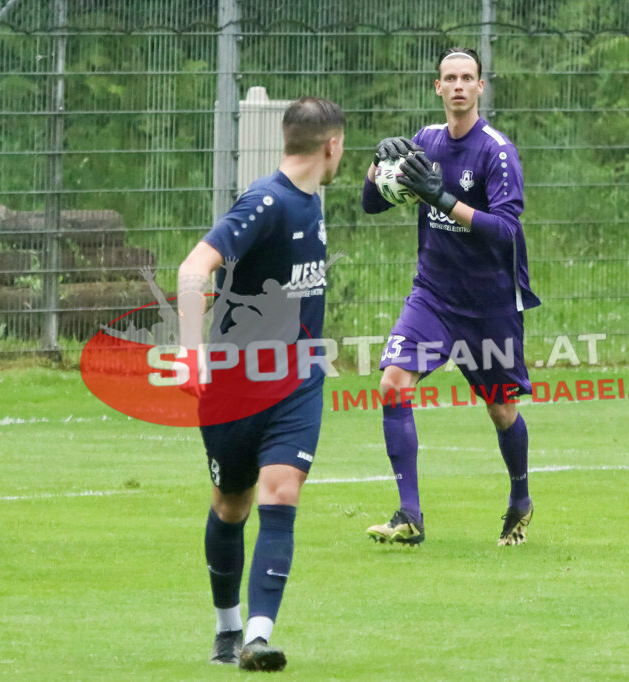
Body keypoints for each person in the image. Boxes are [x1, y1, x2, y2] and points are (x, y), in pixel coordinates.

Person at [177, 96, 345, 671]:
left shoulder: (311, 201)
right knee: (231, 504)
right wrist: (192, 354)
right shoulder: (266, 202)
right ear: (332, 145)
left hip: (296, 381)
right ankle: (227, 629)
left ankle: (256, 637)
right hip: (234, 387)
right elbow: (193, 269)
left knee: (281, 492)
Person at [361, 47, 540, 547]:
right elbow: (370, 203)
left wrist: (443, 199)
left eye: (468, 77)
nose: (459, 85)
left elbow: (505, 231)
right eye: (450, 78)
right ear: (437, 88)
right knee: (393, 383)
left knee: (501, 410)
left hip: (490, 306)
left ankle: (521, 499)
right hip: (433, 297)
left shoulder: (496, 151)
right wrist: (377, 166)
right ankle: (409, 516)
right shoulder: (424, 142)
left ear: (480, 87)